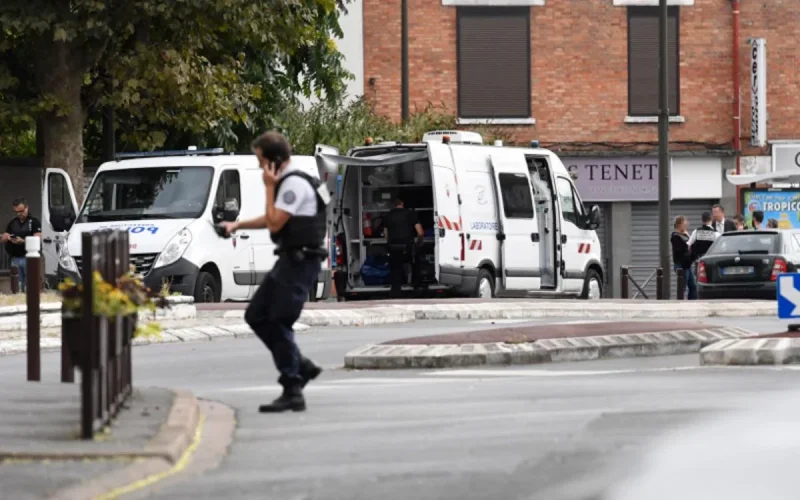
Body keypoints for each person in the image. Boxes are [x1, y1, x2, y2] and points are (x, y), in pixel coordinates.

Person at [220, 131, 325, 413]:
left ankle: (293, 385)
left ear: (273, 162)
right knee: (256, 315)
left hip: (300, 262)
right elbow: (272, 218)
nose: (258, 167)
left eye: (261, 161)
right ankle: (301, 366)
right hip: (289, 260)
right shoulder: (288, 182)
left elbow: (276, 223)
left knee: (278, 320)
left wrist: (268, 186)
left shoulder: (292, 185)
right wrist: (237, 226)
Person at [382, 197, 424, 298]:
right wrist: (419, 242)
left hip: (394, 247)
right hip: (408, 246)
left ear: (393, 205)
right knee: (415, 263)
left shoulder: (388, 215)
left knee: (396, 268)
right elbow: (420, 232)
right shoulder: (410, 213)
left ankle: (396, 291)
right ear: (402, 204)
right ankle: (416, 286)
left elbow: (385, 234)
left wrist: (390, 243)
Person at [2, 198, 42, 293]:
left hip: (28, 258)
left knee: (30, 287)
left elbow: (37, 239)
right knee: (17, 287)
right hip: (15, 258)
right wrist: (8, 237)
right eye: (17, 212)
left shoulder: (34, 222)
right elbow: (4, 237)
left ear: (27, 208)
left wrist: (23, 241)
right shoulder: (13, 222)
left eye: (21, 211)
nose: (19, 214)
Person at [671, 216, 697, 300]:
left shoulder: (684, 235)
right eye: (685, 223)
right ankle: (680, 303)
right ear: (679, 224)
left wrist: (688, 236)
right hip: (681, 265)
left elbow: (691, 244)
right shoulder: (675, 237)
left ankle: (692, 303)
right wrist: (688, 246)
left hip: (687, 264)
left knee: (693, 286)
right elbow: (680, 250)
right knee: (682, 287)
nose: (687, 225)